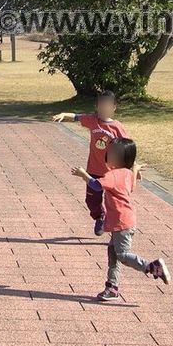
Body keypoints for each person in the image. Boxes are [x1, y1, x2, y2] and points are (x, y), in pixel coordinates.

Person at [71, 138, 171, 300]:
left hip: (121, 222)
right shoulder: (126, 173)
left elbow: (96, 186)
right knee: (113, 254)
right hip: (123, 221)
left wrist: (84, 175)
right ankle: (111, 288)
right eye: (110, 151)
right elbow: (131, 184)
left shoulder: (114, 175)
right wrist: (136, 169)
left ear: (123, 158)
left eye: (113, 153)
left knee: (122, 255)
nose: (108, 154)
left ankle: (152, 267)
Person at [52, 90, 128, 236]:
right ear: (97, 106)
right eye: (101, 105)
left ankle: (118, 230)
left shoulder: (117, 127)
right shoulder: (93, 121)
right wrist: (63, 115)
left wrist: (130, 168)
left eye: (107, 105)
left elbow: (128, 147)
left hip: (112, 172)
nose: (103, 108)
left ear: (114, 107)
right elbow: (76, 117)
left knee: (115, 203)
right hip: (93, 169)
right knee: (91, 201)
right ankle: (100, 217)